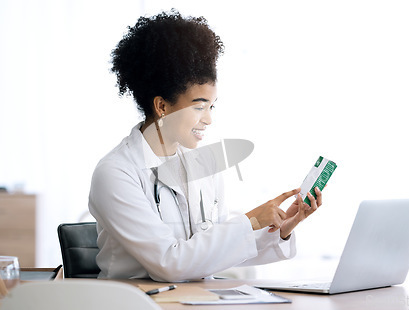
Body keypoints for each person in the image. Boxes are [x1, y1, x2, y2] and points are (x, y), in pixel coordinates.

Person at [88, 9, 323, 282]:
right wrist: (250, 220)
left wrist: (280, 228)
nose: (209, 119)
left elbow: (215, 250)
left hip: (197, 299)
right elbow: (169, 263)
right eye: (200, 107)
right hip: (139, 302)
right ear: (162, 106)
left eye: (212, 106)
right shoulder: (116, 172)